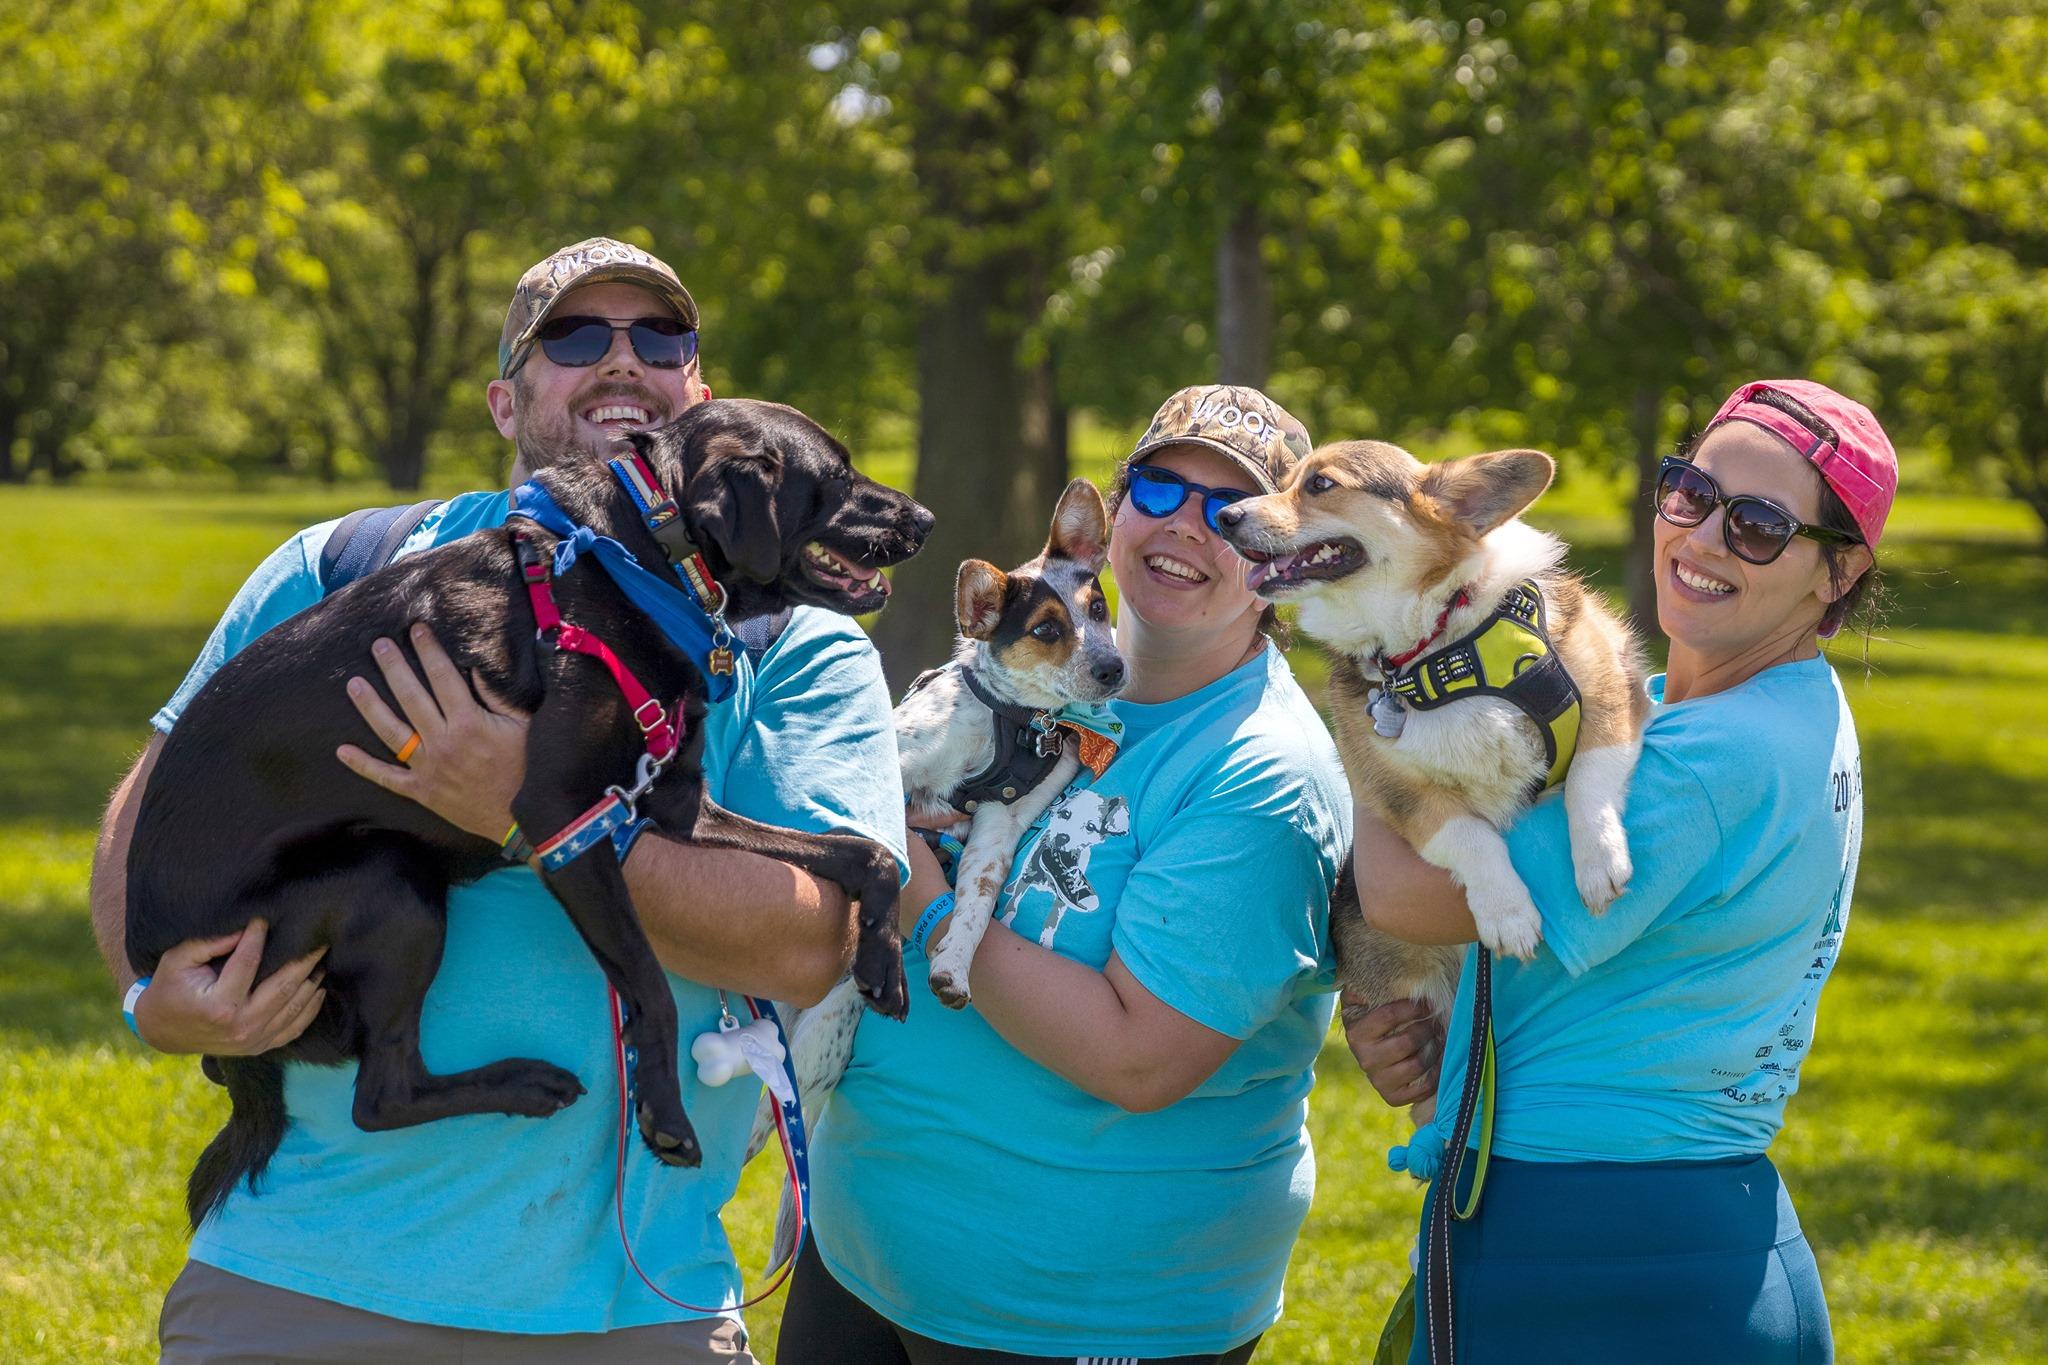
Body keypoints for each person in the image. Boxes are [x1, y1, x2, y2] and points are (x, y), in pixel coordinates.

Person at [88, 237, 907, 1363]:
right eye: (574, 338)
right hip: (301, 1282)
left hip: (629, 1308)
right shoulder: (338, 564)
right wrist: (152, 999)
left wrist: (516, 806)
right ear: (505, 398)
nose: (622, 362)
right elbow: (155, 816)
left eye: (657, 340)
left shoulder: (795, 644)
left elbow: (812, 948)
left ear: (698, 397)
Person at [778, 385, 1353, 1364]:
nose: (1184, 526)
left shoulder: (1260, 775)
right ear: (1113, 514)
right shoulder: (1025, 682)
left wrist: (914, 887)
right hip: (862, 1261)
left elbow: (1136, 1058)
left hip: (1072, 1309)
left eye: (1229, 512)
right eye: (1159, 488)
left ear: (1278, 559)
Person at [1346, 378, 1893, 1363]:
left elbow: (1401, 894)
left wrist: (1369, 719)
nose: (1703, 538)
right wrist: (1427, 1039)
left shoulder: (1715, 758)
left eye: (1760, 525)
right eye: (1688, 492)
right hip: (1639, 1230)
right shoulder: (1705, 714)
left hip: (1603, 1255)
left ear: (1835, 572)